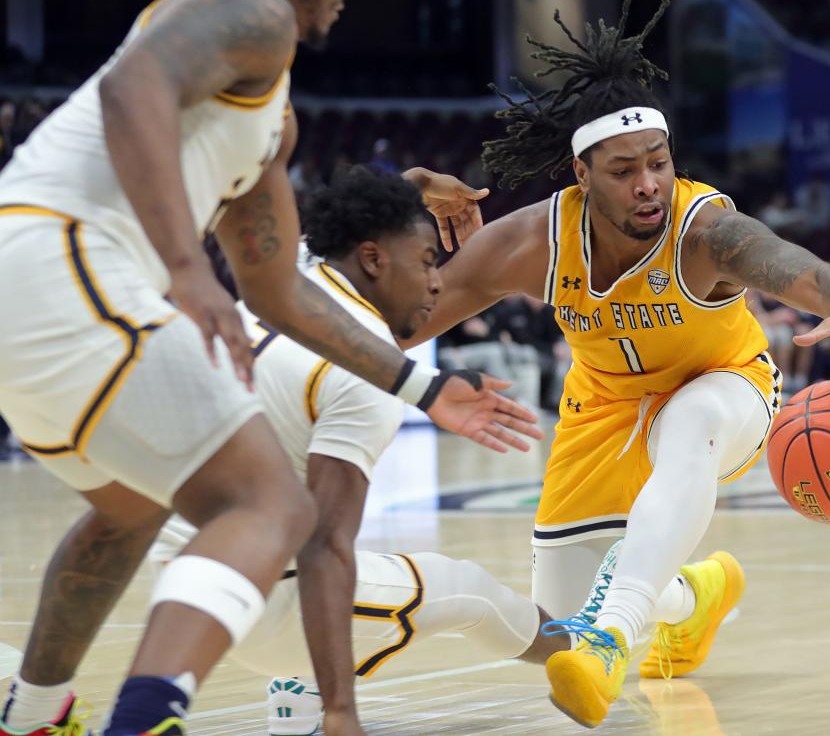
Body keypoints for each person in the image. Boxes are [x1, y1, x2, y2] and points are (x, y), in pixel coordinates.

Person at [0, 0, 539, 735]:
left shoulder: (268, 112)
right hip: (64, 259)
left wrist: (424, 387)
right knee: (269, 504)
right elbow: (130, 92)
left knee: (129, 511)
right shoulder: (250, 1)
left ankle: (30, 716)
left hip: (27, 291)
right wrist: (186, 271)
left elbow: (276, 288)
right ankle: (141, 722)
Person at [403, 0, 830, 728]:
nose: (648, 182)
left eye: (658, 161)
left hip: (726, 389)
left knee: (690, 422)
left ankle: (611, 638)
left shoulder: (704, 231)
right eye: (623, 170)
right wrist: (392, 210)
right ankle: (691, 599)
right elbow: (398, 320)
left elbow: (800, 267)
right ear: (581, 176)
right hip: (605, 406)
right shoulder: (534, 242)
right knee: (555, 613)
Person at [147, 167, 581, 735]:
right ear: (374, 260)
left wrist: (414, 189)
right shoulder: (367, 370)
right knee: (465, 590)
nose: (436, 284)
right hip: (257, 604)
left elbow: (351, 217)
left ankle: (293, 702)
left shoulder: (294, 275)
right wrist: (343, 711)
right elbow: (328, 549)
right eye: (427, 261)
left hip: (177, 575)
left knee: (305, 522)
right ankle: (585, 649)